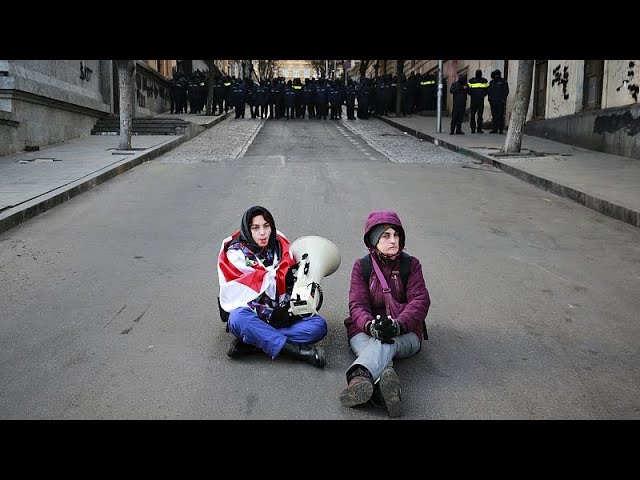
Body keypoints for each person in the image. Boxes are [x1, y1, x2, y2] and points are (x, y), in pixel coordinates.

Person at [341, 210, 431, 417]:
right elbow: (357, 305)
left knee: (385, 342)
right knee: (380, 344)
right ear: (373, 240)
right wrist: (371, 326)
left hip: (405, 332)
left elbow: (420, 301)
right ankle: (384, 391)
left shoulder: (411, 265)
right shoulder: (361, 266)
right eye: (386, 236)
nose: (393, 240)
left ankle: (359, 378)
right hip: (364, 331)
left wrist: (398, 325)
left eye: (396, 235)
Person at [217, 206, 328, 367]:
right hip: (254, 316)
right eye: (255, 228)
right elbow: (239, 297)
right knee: (237, 319)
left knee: (319, 326)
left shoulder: (280, 246)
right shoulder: (235, 255)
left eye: (266, 226)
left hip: (281, 314)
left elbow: (292, 285)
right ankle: (299, 352)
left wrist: (291, 305)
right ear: (247, 230)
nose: (262, 233)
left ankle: (254, 341)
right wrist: (270, 314)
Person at [467, 69, 489, 133]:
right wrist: (483, 95)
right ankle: (479, 129)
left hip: (474, 100)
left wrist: (473, 94)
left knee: (473, 115)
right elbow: (487, 90)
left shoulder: (471, 80)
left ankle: (473, 129)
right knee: (479, 115)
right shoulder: (484, 80)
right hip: (480, 100)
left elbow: (468, 90)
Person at [488, 69, 510, 134]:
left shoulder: (503, 81)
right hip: (493, 101)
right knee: (494, 115)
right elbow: (489, 91)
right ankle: (494, 129)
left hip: (500, 101)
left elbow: (506, 91)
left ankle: (500, 129)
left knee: (500, 115)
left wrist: (503, 99)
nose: (496, 76)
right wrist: (490, 100)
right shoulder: (492, 82)